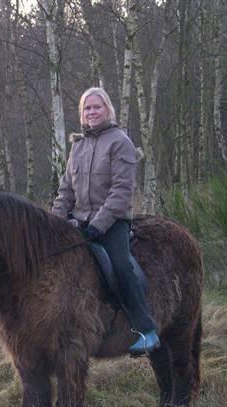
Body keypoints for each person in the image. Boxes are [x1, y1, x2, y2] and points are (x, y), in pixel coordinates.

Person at [51, 87, 160, 356]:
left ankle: (146, 330)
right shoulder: (77, 146)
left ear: (107, 109)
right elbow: (65, 190)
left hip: (112, 223)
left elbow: (121, 192)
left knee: (122, 267)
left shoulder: (119, 142)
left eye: (96, 107)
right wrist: (53, 224)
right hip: (79, 221)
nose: (91, 112)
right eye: (87, 108)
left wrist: (98, 225)